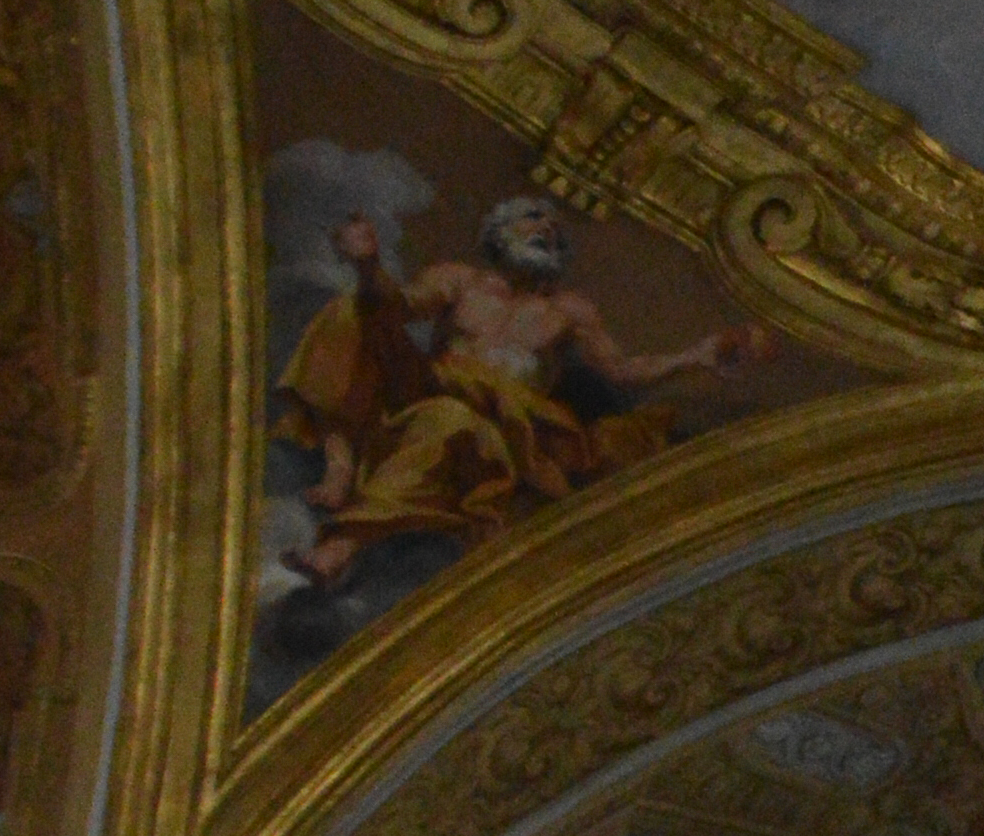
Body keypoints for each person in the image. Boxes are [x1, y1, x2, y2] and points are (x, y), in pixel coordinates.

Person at [276, 195, 760, 585]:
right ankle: (340, 463)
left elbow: (623, 369)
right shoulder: (459, 281)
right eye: (532, 219)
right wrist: (367, 264)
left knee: (449, 421)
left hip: (500, 426)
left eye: (553, 230)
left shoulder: (568, 311)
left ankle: (340, 547)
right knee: (351, 314)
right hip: (428, 389)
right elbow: (393, 308)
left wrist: (693, 356)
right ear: (498, 232)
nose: (545, 230)